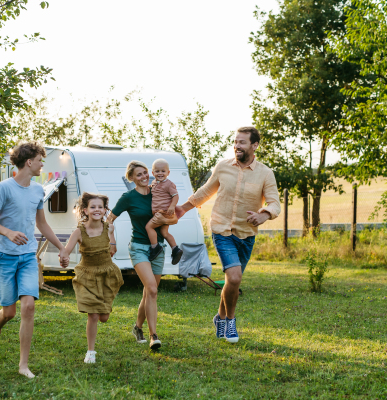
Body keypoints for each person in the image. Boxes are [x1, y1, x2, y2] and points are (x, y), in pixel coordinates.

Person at [176, 126, 280, 343]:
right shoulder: (223, 167)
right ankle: (230, 322)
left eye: (242, 142)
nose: (236, 146)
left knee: (232, 282)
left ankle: (220, 317)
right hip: (221, 229)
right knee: (234, 277)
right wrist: (183, 208)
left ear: (254, 145)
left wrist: (265, 214)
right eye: (235, 142)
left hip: (246, 233)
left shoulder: (265, 173)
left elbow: (274, 202)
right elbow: (206, 191)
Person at [0, 141, 66, 378]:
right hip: (5, 256)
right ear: (29, 162)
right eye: (40, 160)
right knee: (9, 313)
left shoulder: (38, 190)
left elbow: (41, 223)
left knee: (28, 306)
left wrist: (61, 247)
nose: (42, 165)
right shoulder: (3, 188)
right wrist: (8, 233)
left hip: (28, 255)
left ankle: (23, 365)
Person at [59, 193, 124, 364]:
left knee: (104, 317)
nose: (97, 210)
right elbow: (66, 250)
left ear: (104, 210)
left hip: (106, 274)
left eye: (100, 207)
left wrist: (112, 244)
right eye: (93, 207)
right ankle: (91, 352)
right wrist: (63, 257)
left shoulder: (109, 228)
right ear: (85, 210)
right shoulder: (79, 232)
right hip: (87, 275)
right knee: (93, 315)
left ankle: (104, 311)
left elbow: (112, 247)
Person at [107, 160, 164, 350]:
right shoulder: (128, 197)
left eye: (145, 173)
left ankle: (137, 327)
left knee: (149, 291)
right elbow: (109, 219)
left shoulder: (157, 192)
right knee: (152, 290)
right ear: (131, 178)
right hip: (139, 247)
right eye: (138, 174)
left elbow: (171, 212)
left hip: (158, 247)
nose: (144, 177)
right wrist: (111, 240)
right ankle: (153, 335)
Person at [145, 159, 183, 265]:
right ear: (153, 173)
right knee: (164, 233)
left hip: (163, 212)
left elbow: (175, 196)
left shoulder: (169, 184)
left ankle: (155, 247)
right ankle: (175, 249)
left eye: (163, 171)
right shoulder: (154, 183)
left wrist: (172, 206)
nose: (160, 173)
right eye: (157, 171)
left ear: (168, 173)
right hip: (161, 212)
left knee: (149, 227)